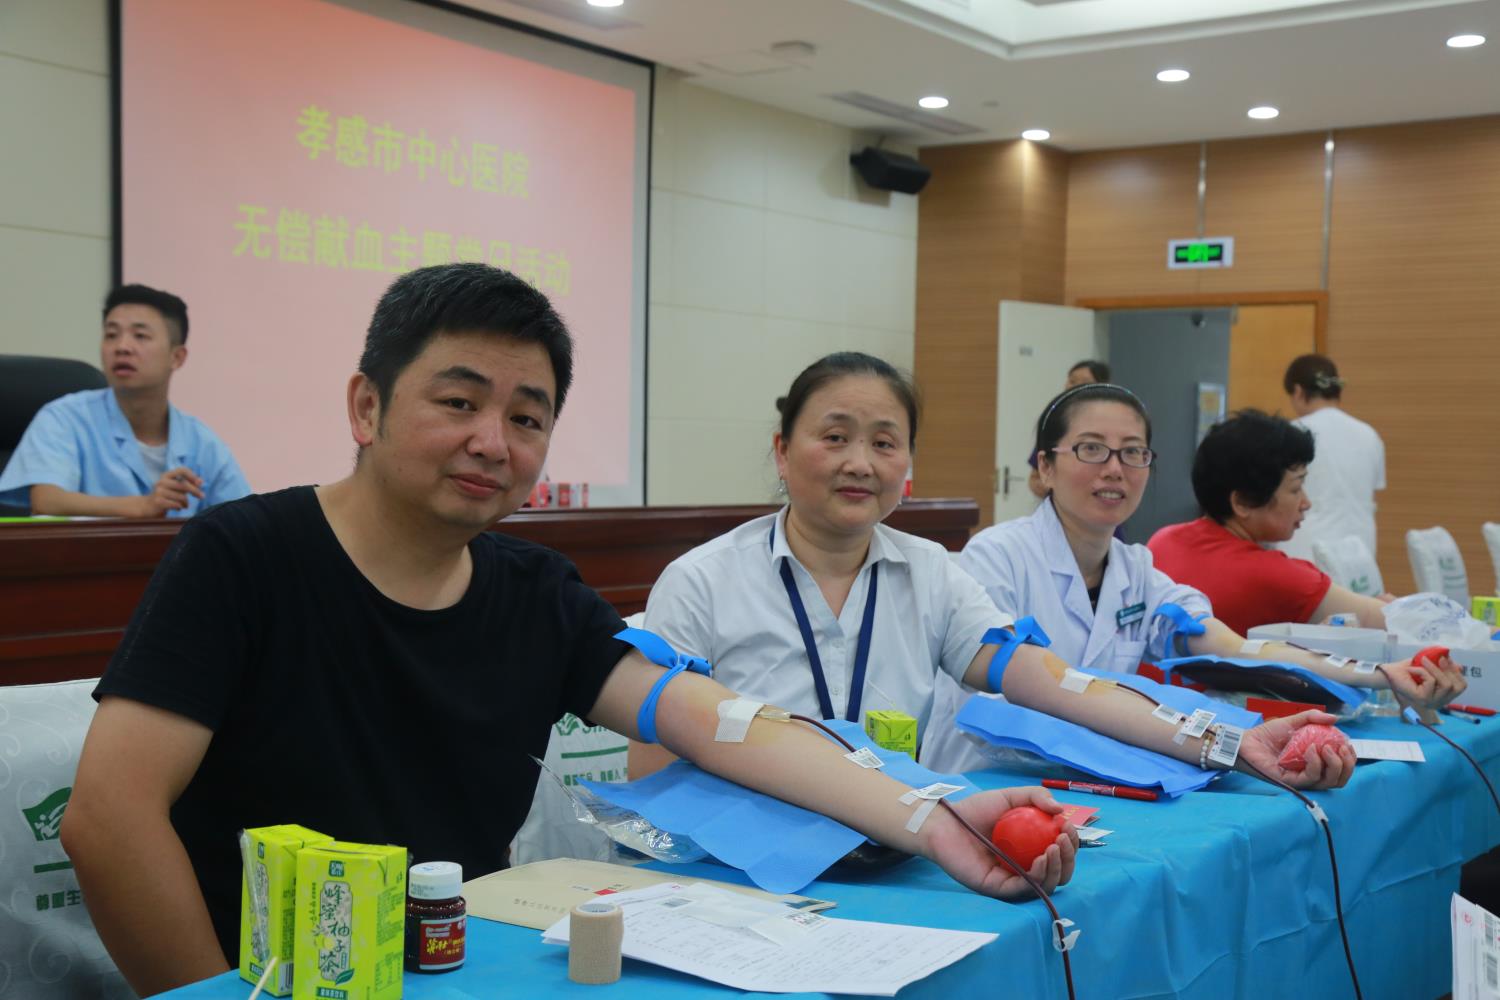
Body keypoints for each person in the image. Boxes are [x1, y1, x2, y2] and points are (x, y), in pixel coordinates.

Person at [59, 268, 1075, 998]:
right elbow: (107, 818)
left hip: (462, 968)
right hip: (273, 979)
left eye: (527, 417)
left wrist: (934, 815)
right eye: (459, 401)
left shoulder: (534, 590)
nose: (491, 441)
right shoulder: (242, 555)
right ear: (366, 405)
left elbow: (724, 724)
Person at [637, 353, 1356, 794]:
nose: (860, 463)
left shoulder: (931, 573)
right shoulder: (701, 582)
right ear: (782, 450)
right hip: (744, 871)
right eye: (834, 437)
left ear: (907, 464)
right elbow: (653, 773)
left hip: (897, 844)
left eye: (885, 442)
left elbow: (1058, 684)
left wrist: (1225, 741)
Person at [952, 385, 1460, 771]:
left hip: (1096, 778)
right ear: (1045, 467)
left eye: (1133, 452)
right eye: (1091, 449)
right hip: (992, 777)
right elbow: (1018, 698)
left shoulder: (1137, 570)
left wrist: (1381, 674)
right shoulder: (996, 558)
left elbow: (1236, 648)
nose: (1115, 469)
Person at [0, 285, 250, 517]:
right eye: (111, 335)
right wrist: (143, 506)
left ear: (177, 357)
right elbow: (47, 501)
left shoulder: (202, 443)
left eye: (140, 336)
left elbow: (245, 520)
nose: (122, 347)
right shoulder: (63, 418)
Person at [1148, 409, 1397, 635]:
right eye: (1296, 489)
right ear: (1243, 502)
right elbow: (1390, 621)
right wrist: (1388, 608)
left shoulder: (1163, 540)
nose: (1306, 502)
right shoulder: (1273, 575)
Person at [1276, 355, 1386, 564]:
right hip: (1359, 554)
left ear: (1298, 391)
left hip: (1305, 552)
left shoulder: (1292, 433)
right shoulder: (1369, 434)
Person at [1030, 359, 1112, 499]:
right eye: (1072, 381)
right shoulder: (1053, 420)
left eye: (1085, 382)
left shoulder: (1111, 422)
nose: (1075, 386)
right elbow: (1034, 476)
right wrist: (1043, 485)